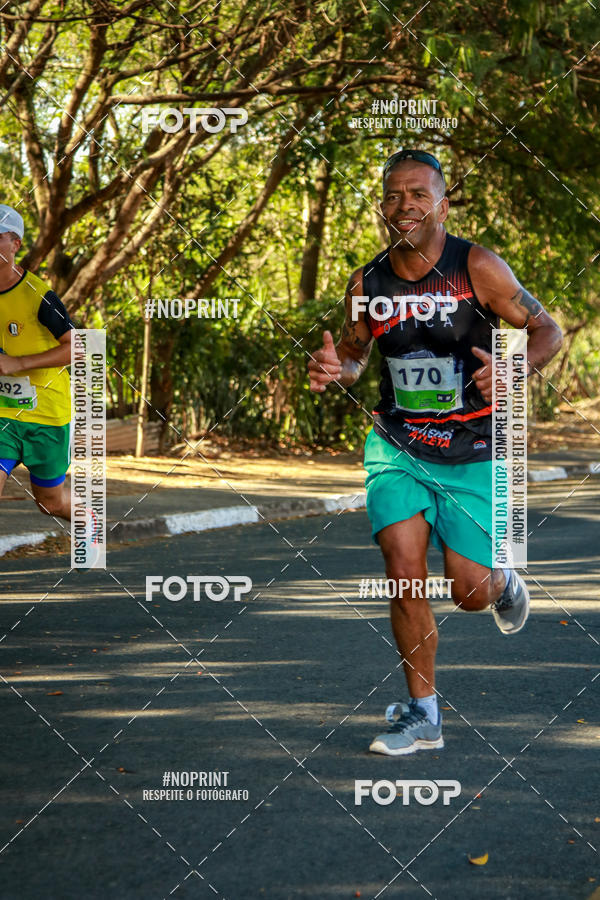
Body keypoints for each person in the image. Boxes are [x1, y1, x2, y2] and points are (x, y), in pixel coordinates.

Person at [308, 149, 563, 756]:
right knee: (403, 571)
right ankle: (422, 713)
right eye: (394, 195)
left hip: (474, 446)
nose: (405, 206)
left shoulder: (477, 267)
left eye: (419, 194)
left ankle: (502, 581)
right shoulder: (367, 282)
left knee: (469, 592)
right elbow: (355, 354)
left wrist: (515, 369)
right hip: (397, 443)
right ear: (382, 207)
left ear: (442, 206)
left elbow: (547, 330)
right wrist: (337, 369)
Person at [0, 203, 75, 522]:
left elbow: (76, 347)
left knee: (50, 504)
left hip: (46, 415)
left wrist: (17, 364)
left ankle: (88, 521)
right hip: (3, 412)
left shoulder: (39, 295)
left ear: (15, 244)